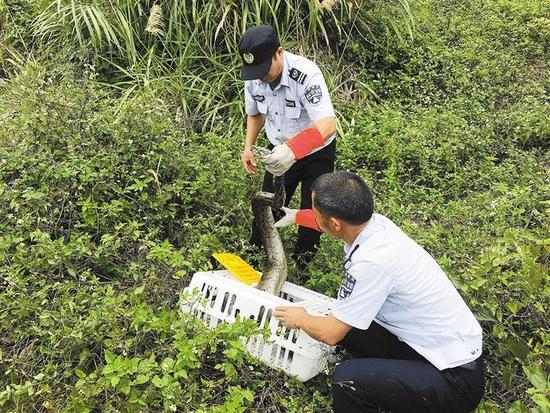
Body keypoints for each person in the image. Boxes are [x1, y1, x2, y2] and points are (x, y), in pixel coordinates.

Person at [272, 171, 485, 413]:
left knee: (347, 379)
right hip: (440, 349)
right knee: (349, 328)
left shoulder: (372, 263)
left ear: (335, 223)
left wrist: (301, 317)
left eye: (315, 211)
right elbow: (335, 224)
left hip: (454, 382)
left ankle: (372, 389)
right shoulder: (377, 225)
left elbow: (329, 334)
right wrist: (298, 217)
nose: (313, 214)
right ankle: (384, 384)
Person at [238, 24, 337, 274]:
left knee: (313, 214)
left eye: (264, 69)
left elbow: (328, 124)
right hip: (278, 151)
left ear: (279, 52)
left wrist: (294, 149)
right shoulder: (254, 78)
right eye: (255, 71)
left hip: (315, 153)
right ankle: (257, 259)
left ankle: (303, 267)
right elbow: (255, 114)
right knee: (267, 208)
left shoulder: (305, 75)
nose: (261, 76)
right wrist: (248, 147)